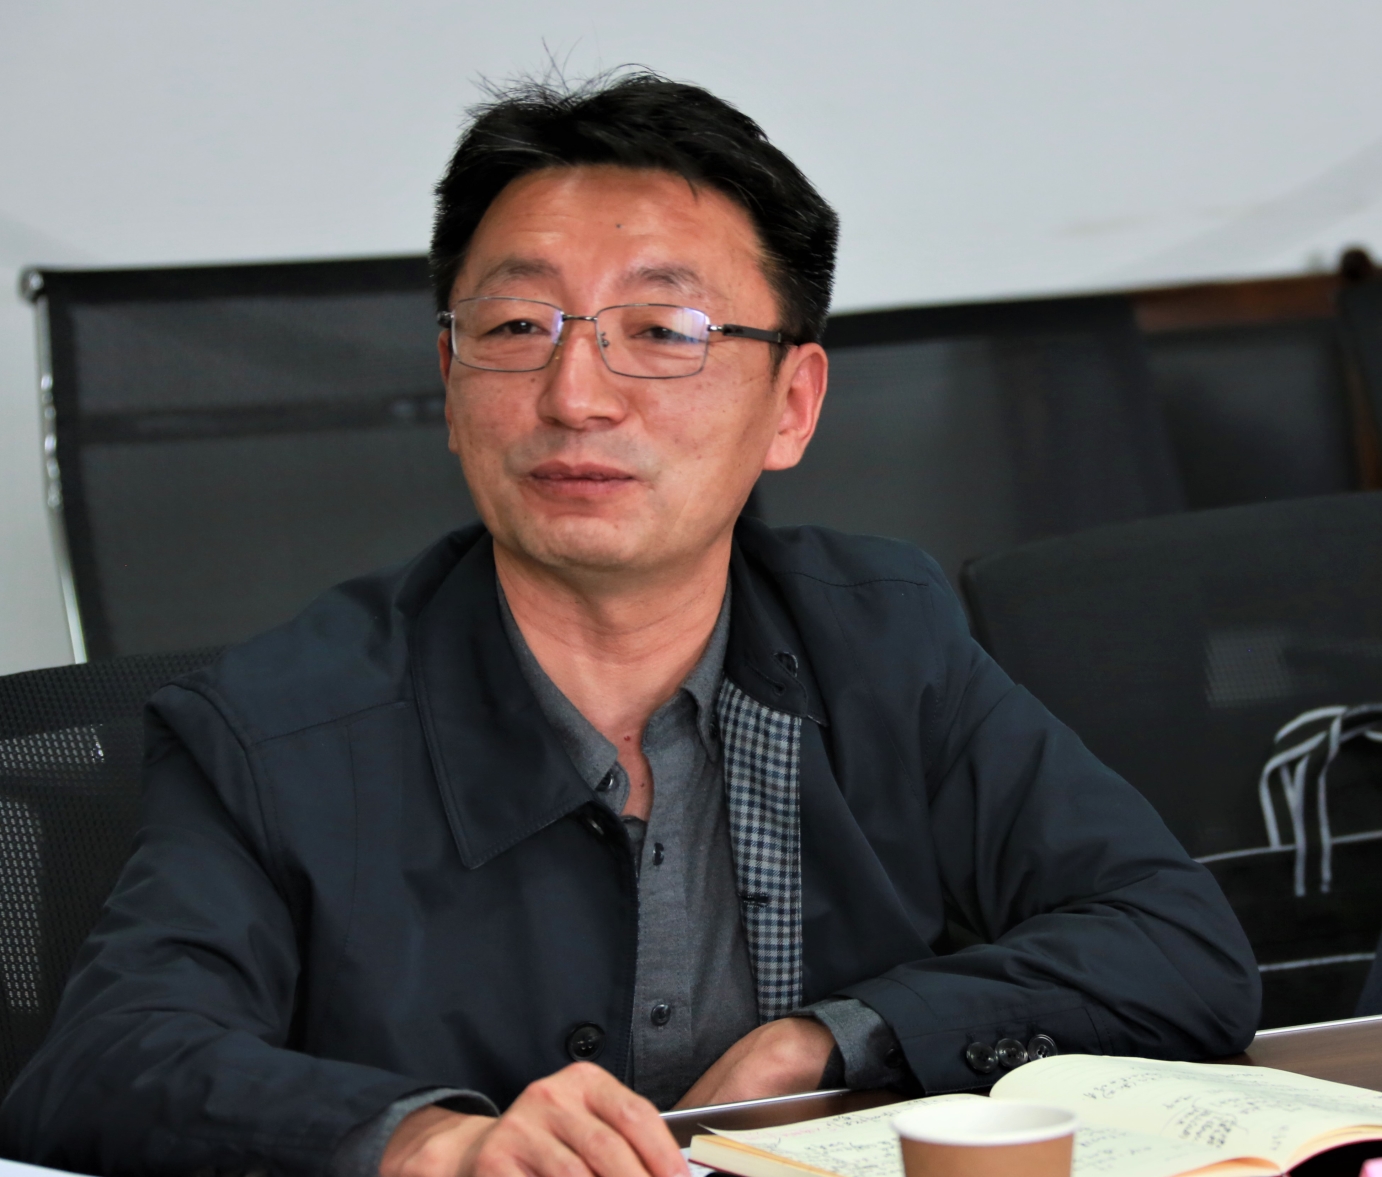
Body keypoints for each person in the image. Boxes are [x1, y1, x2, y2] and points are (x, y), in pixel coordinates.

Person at [0, 71, 1259, 1177]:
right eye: (515, 328)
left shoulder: (883, 642)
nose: (576, 394)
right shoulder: (271, 730)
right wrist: (431, 1142)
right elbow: (107, 1061)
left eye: (661, 331)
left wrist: (829, 1041)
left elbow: (1171, 943)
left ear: (791, 405)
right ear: (450, 382)